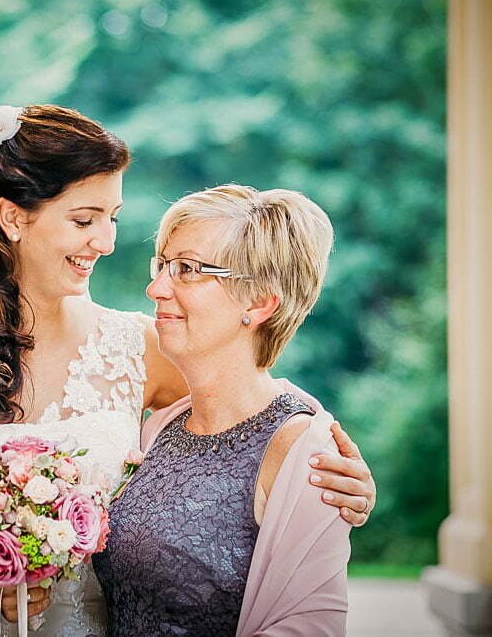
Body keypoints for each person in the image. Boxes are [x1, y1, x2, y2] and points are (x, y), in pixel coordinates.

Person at [0, 108, 374, 635]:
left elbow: (248, 415)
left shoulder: (138, 347)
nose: (106, 243)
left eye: (114, 218)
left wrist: (329, 464)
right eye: (85, 220)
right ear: (14, 218)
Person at [93, 184, 352, 636]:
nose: (155, 287)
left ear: (259, 302)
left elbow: (311, 627)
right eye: (163, 265)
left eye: (187, 270)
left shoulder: (304, 450)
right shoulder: (162, 426)